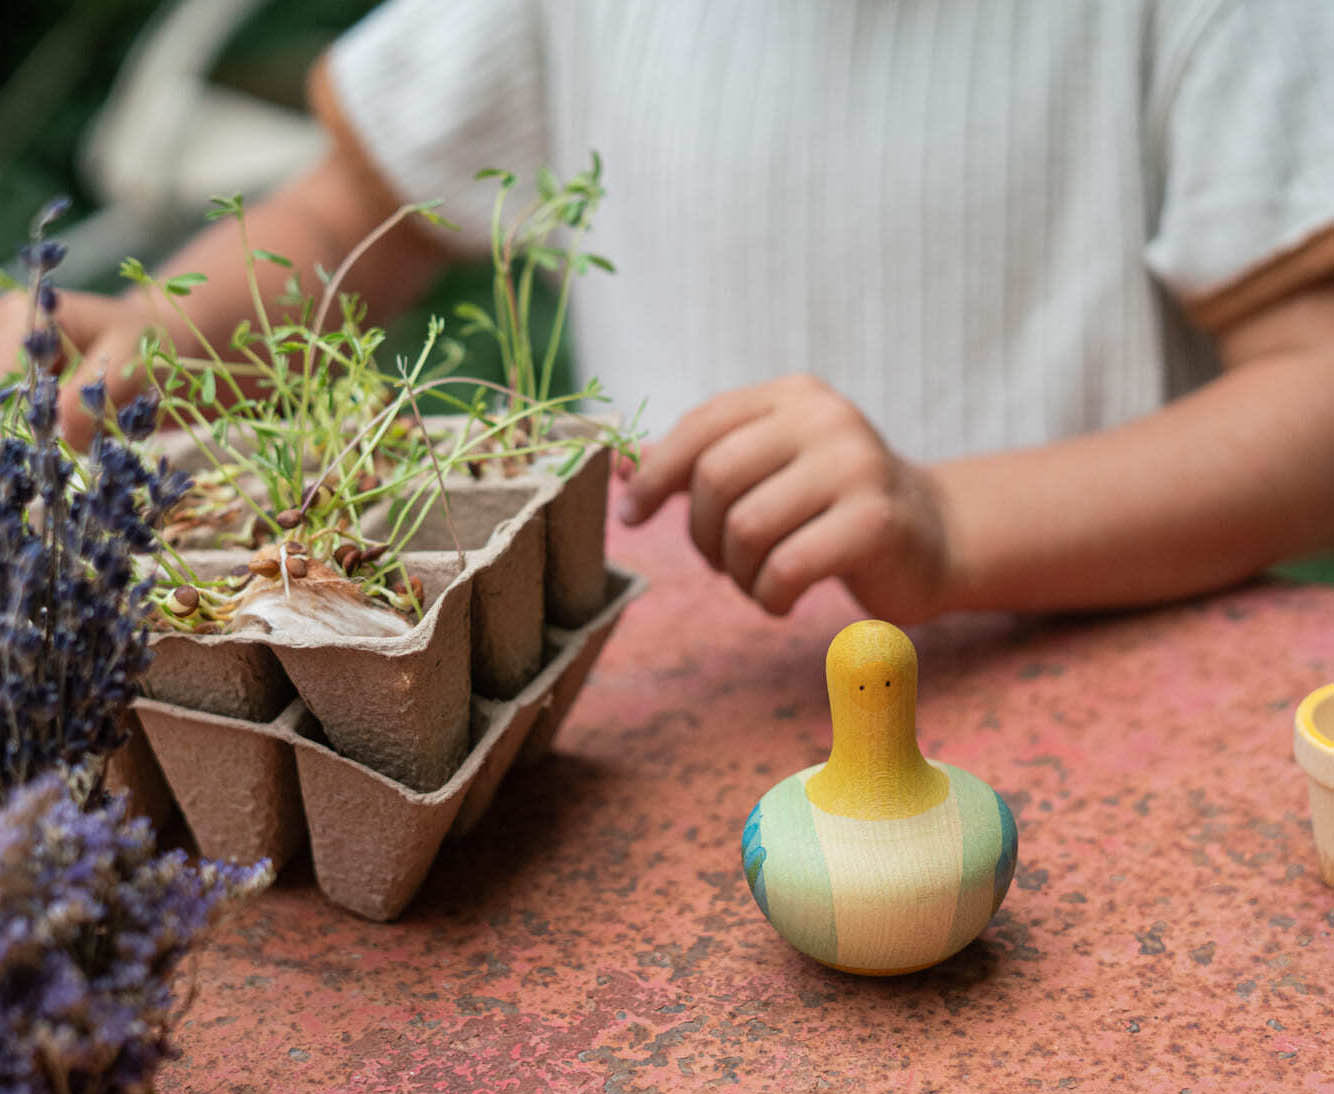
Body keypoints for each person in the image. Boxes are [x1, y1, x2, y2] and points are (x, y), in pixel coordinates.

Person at [4, 0, 1334, 626]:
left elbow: (1310, 398)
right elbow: (354, 210)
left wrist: (951, 523)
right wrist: (144, 352)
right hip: (673, 713)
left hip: (1091, 689)